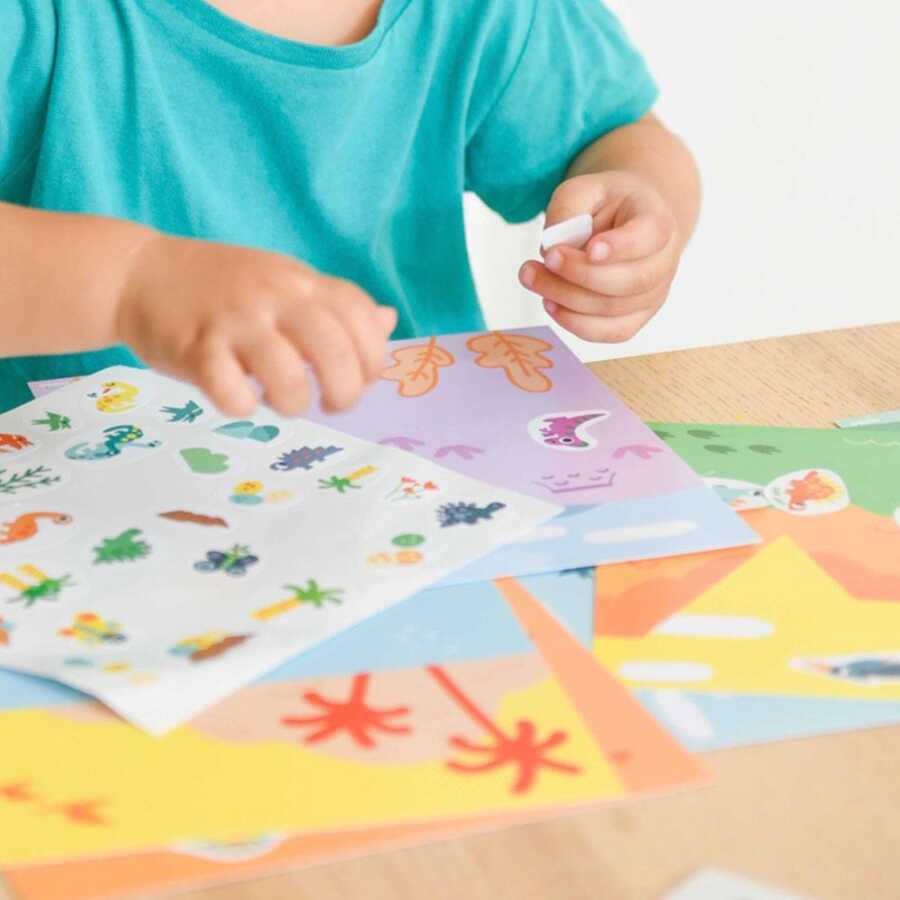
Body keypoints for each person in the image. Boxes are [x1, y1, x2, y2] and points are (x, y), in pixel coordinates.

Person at [0, 0, 700, 416]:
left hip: (423, 478)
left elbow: (615, 136)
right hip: (75, 515)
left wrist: (636, 198)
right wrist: (132, 284)